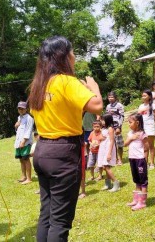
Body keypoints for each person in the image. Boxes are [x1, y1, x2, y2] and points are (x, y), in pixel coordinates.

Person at [28, 36, 103, 241]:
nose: (75, 56)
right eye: (72, 52)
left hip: (42, 150)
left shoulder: (38, 84)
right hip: (63, 153)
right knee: (60, 222)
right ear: (64, 56)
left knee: (47, 213)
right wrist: (93, 87)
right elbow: (96, 106)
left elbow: (55, 114)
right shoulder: (67, 81)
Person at [124, 113, 149, 211]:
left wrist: (145, 161)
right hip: (132, 159)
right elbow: (125, 144)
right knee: (136, 179)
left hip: (140, 160)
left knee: (143, 180)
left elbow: (146, 148)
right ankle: (136, 199)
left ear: (137, 123)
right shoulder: (130, 133)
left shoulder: (142, 134)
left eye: (130, 122)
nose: (129, 124)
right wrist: (131, 139)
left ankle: (142, 202)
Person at [138, 89, 155, 170]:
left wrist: (154, 122)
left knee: (151, 146)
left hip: (150, 127)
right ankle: (145, 163)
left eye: (145, 95)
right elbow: (138, 117)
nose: (143, 97)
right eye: (142, 95)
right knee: (144, 146)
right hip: (142, 128)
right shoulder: (141, 106)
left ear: (149, 96)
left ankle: (152, 163)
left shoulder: (153, 105)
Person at [97, 114, 120, 192]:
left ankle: (116, 183)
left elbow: (112, 140)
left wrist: (109, 153)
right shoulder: (104, 128)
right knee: (104, 166)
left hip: (108, 148)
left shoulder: (110, 128)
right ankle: (108, 184)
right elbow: (103, 137)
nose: (101, 121)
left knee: (106, 166)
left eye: (103, 120)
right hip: (103, 148)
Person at [14, 101, 34, 185]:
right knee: (21, 159)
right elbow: (18, 130)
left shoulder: (29, 118)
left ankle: (29, 178)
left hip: (25, 142)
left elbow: (28, 130)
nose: (21, 110)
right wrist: (15, 126)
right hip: (18, 142)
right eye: (19, 108)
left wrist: (24, 141)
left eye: (22, 108)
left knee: (26, 159)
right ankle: (23, 176)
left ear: (26, 109)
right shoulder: (19, 118)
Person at [106, 91, 125, 165]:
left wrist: (119, 127)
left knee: (119, 143)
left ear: (115, 98)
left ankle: (120, 159)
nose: (110, 98)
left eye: (112, 97)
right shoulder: (108, 106)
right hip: (110, 126)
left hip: (117, 125)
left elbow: (122, 116)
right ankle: (115, 159)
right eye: (109, 97)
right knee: (112, 143)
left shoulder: (119, 105)